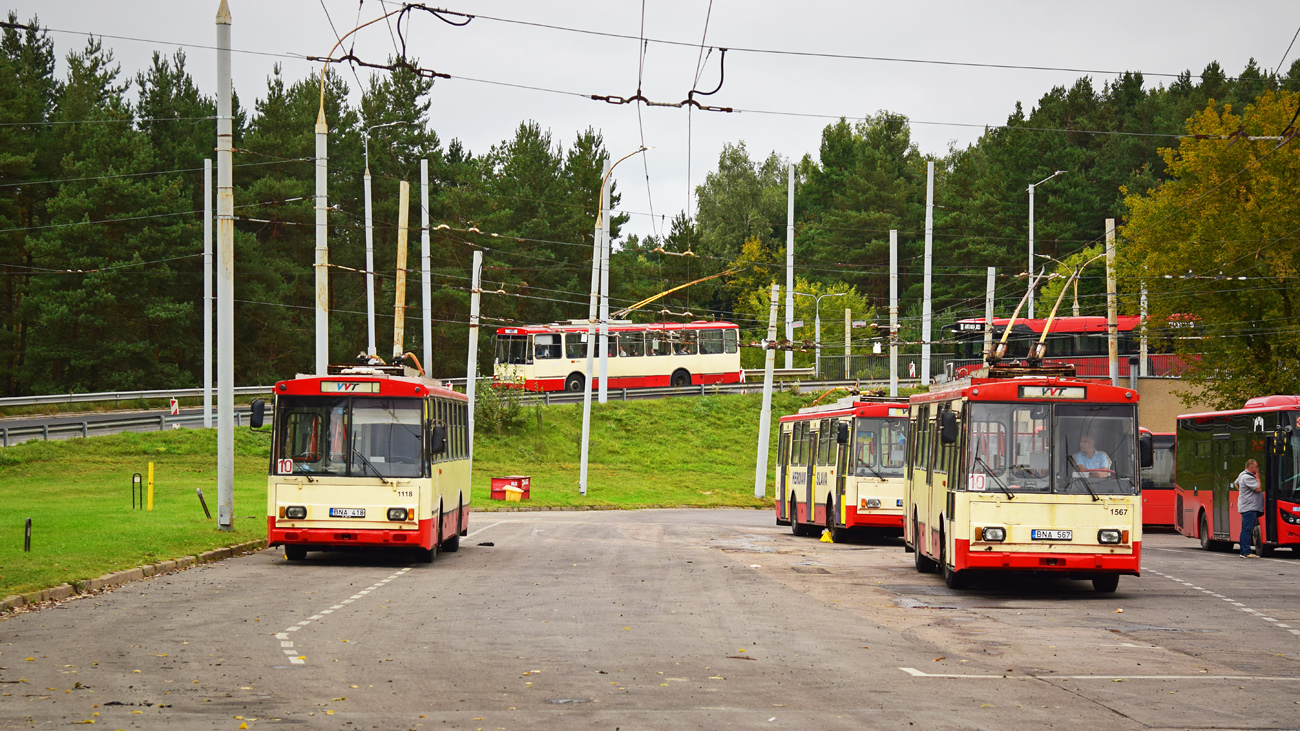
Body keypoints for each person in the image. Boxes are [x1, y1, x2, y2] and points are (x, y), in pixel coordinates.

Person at [1237, 459, 1264, 558]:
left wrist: (1243, 493)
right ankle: (1246, 552)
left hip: (1247, 506)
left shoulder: (1241, 475)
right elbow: (1258, 488)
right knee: (1247, 530)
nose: (1257, 469)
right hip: (1249, 507)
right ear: (1251, 467)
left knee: (1245, 529)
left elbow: (1236, 484)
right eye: (1256, 467)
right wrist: (1258, 478)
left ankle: (1243, 551)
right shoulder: (1247, 477)